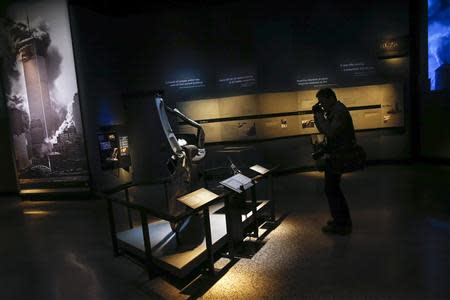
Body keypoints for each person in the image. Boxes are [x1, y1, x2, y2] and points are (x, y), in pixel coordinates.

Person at [313, 88, 355, 235]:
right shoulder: (335, 111)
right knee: (332, 188)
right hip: (335, 155)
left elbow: (330, 132)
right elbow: (325, 131)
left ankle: (341, 223)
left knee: (332, 188)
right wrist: (317, 116)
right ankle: (340, 219)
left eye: (322, 101)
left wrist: (319, 115)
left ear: (330, 98)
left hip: (339, 156)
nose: (321, 105)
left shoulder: (339, 112)